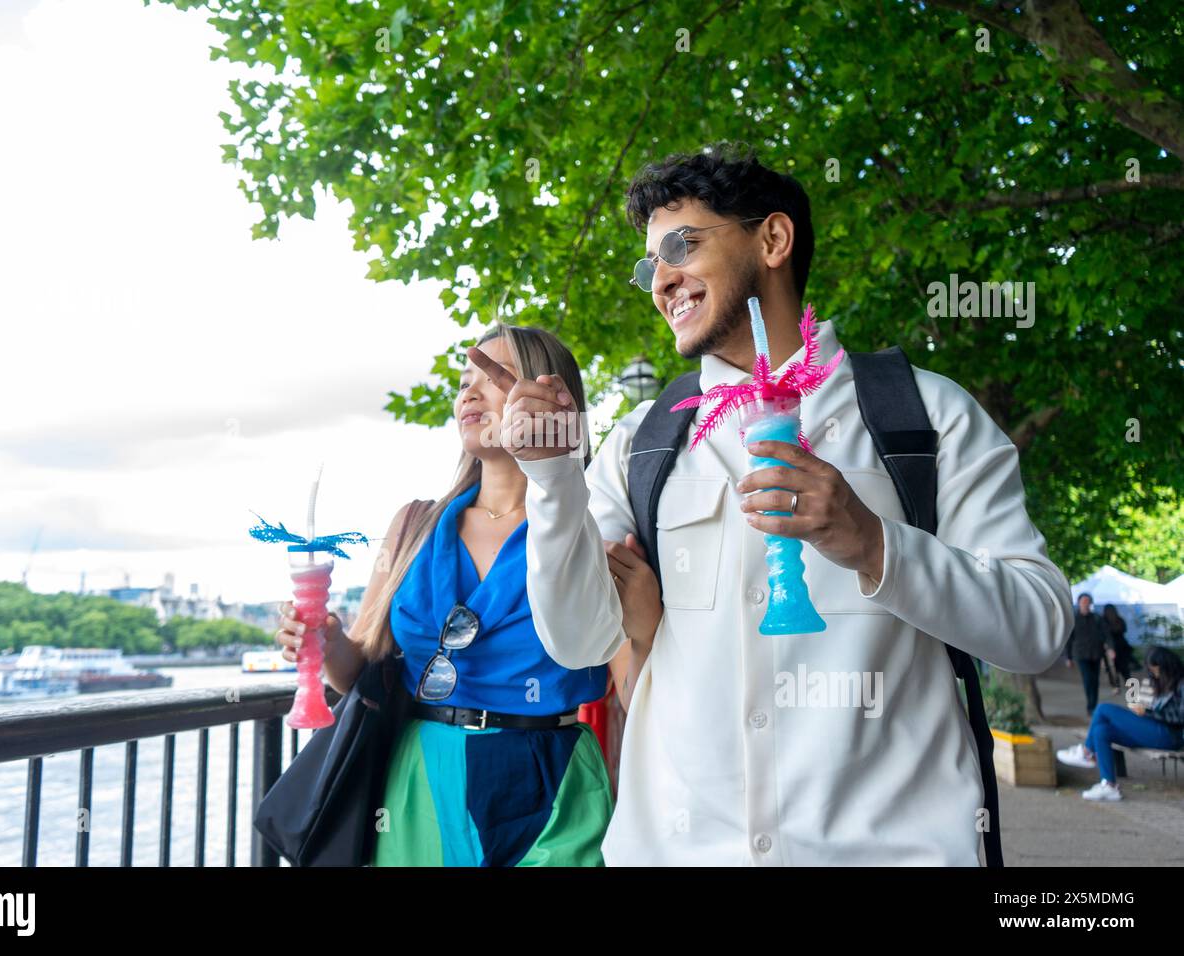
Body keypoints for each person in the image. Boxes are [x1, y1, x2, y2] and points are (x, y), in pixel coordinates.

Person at [472, 142, 1075, 865]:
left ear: (773, 239)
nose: (662, 280)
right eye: (650, 265)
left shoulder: (926, 416)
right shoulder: (640, 444)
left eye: (682, 246)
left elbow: (1039, 627)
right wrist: (551, 480)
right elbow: (574, 642)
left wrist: (874, 544)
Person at [274, 322, 622, 866]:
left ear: (552, 398)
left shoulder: (595, 523)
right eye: (464, 381)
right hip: (420, 772)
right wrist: (325, 640)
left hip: (552, 778)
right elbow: (363, 673)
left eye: (493, 377)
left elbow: (625, 676)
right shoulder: (414, 525)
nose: (469, 393)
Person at [1056, 646, 1184, 801]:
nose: (1155, 675)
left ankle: (1087, 753)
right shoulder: (1163, 682)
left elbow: (1180, 716)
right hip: (1155, 729)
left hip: (1170, 736)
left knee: (1104, 709)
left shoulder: (1181, 684)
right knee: (1101, 731)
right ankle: (1109, 786)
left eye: (1156, 670)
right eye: (1152, 671)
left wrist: (1148, 712)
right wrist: (1145, 710)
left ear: (1167, 666)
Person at [1065, 592, 1111, 715]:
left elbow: (1106, 634)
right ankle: (1090, 706)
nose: (1085, 604)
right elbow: (1069, 639)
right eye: (1083, 601)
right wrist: (1068, 657)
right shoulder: (1073, 619)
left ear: (1090, 603)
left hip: (1096, 654)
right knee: (1087, 679)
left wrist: (1110, 648)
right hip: (1081, 654)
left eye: (1087, 601)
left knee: (1095, 680)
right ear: (1079, 603)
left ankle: (1093, 705)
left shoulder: (1097, 618)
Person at [1103, 603, 1137, 691]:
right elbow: (1124, 630)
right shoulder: (1119, 620)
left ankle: (1116, 686)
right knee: (1124, 668)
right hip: (1121, 646)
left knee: (1112, 668)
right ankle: (1129, 685)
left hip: (1111, 647)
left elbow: (1103, 634)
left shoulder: (1104, 621)